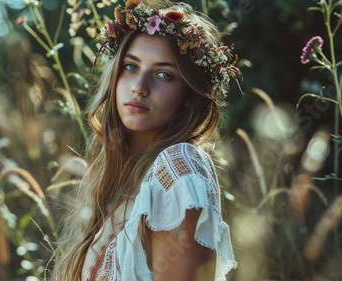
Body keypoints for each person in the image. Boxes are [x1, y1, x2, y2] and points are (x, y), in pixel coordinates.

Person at [50, 0, 238, 280]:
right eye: (130, 66)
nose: (139, 87)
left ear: (188, 96)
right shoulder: (116, 180)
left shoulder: (178, 167)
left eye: (164, 74)